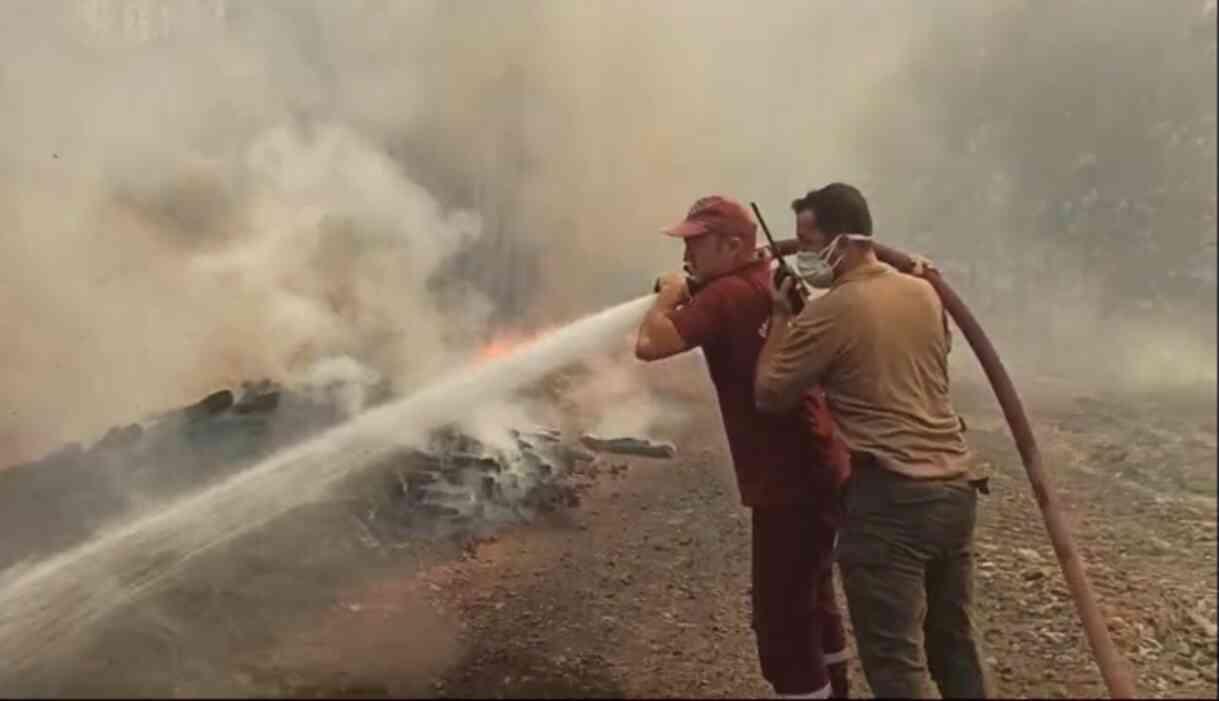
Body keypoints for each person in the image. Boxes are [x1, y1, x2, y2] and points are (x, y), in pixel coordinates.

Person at [753, 183, 991, 699]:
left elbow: (770, 392)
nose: (804, 253)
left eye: (807, 239)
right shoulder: (922, 292)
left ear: (839, 240)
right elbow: (933, 347)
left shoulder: (833, 310)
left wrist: (779, 316)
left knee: (895, 665)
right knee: (954, 647)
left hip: (891, 503)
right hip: (955, 490)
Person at [635, 195, 851, 699]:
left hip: (786, 482)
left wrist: (666, 298)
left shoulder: (728, 293)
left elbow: (651, 344)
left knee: (781, 626)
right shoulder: (764, 278)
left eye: (696, 243)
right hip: (822, 464)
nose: (686, 256)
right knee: (814, 601)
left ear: (733, 245)